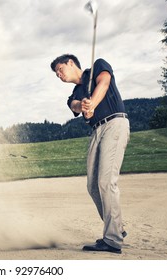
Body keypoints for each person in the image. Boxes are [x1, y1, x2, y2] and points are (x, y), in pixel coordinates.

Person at [50, 54, 130, 254]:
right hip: (97, 130)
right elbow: (74, 106)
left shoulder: (97, 67)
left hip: (114, 123)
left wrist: (93, 102)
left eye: (60, 69)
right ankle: (117, 228)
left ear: (71, 63)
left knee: (105, 181)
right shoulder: (75, 93)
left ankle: (112, 240)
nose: (59, 75)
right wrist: (84, 106)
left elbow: (104, 82)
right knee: (93, 185)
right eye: (56, 74)